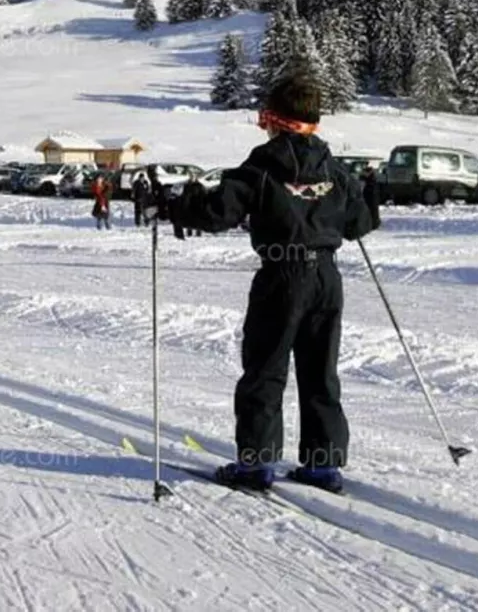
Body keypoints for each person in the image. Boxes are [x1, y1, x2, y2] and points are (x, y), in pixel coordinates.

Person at [161, 69, 378, 494]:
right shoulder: (334, 167)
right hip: (327, 276)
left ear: (274, 119)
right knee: (320, 370)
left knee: (266, 367)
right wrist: (365, 197)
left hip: (282, 275)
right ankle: (321, 463)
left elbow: (218, 212)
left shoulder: (263, 165)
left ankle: (256, 464)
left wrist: (180, 205)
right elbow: (359, 224)